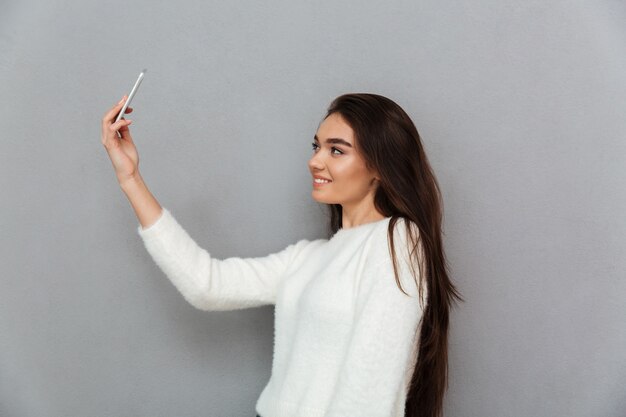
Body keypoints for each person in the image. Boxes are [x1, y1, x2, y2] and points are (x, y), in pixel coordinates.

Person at [101, 93, 464, 417]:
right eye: (316, 146)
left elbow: (372, 383)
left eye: (336, 150)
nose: (315, 161)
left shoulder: (398, 240)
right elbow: (207, 284)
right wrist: (130, 178)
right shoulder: (309, 258)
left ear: (380, 168)